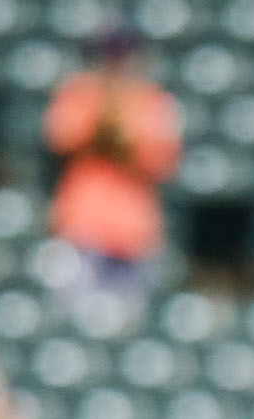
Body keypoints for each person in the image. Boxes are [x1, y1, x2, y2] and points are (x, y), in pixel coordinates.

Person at [40, 25, 182, 314]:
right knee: (71, 316)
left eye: (124, 53)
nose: (118, 61)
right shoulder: (80, 91)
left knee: (126, 323)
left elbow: (161, 159)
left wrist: (124, 126)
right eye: (111, 53)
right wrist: (106, 110)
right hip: (82, 226)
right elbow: (61, 136)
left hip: (134, 233)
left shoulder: (154, 101)